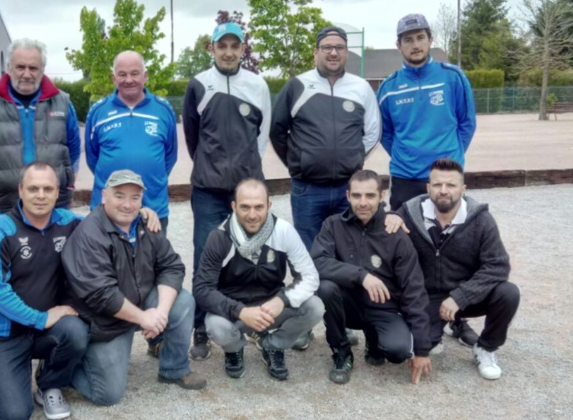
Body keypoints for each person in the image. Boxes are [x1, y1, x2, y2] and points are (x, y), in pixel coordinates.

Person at [270, 25, 381, 348]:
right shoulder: (297, 86)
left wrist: (353, 160)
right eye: (327, 47)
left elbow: (372, 132)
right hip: (308, 190)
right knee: (304, 257)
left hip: (348, 191)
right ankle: (304, 322)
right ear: (316, 51)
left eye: (339, 47)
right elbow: (278, 131)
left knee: (346, 257)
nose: (333, 52)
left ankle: (339, 321)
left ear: (347, 52)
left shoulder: (361, 88)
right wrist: (298, 162)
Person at [62, 170, 206, 405]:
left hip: (139, 303)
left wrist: (160, 312)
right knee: (107, 395)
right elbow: (102, 295)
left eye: (135, 197)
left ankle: (174, 369)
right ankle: (67, 367)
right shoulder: (90, 234)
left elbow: (172, 267)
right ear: (103, 196)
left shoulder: (146, 224)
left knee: (183, 302)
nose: (128, 205)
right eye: (119, 196)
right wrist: (143, 318)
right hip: (105, 320)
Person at [377, 14, 478, 345]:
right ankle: (413, 312)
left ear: (430, 40)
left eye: (420, 37)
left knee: (455, 247)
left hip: (445, 178)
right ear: (399, 45)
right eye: (408, 39)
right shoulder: (390, 86)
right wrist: (408, 158)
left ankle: (456, 318)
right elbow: (386, 133)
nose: (415, 44)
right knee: (407, 248)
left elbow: (466, 123)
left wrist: (449, 163)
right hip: (405, 177)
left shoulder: (452, 77)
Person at [183, 21, 272, 361]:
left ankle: (253, 321)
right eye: (223, 45)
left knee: (253, 256)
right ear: (212, 48)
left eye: (235, 45)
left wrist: (247, 171)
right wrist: (212, 166)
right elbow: (193, 138)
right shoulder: (198, 85)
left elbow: (261, 137)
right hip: (207, 191)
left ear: (242, 49)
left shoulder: (258, 84)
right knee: (205, 257)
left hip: (247, 191)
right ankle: (201, 328)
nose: (229, 51)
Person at [0, 163, 89, 420]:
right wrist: (40, 317)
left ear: (57, 192)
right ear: (20, 191)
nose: (40, 195)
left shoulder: (69, 222)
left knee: (75, 330)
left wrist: (140, 213)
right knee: (14, 418)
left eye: (47, 189)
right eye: (33, 188)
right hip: (4, 335)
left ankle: (48, 383)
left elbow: (110, 219)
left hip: (45, 330)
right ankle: (15, 370)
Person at [386, 158, 520, 380]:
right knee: (417, 347)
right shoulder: (410, 213)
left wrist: (460, 297)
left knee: (508, 293)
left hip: (467, 295)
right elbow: (391, 220)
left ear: (463, 189)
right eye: (437, 185)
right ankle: (436, 332)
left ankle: (485, 348)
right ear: (428, 188)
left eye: (451, 185)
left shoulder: (481, 219)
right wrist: (391, 215)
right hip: (428, 295)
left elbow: (498, 265)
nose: (444, 191)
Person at [312, 170, 432, 385]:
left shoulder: (395, 234)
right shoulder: (333, 225)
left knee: (398, 352)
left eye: (370, 195)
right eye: (357, 196)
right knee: (325, 288)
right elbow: (318, 262)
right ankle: (341, 353)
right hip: (347, 304)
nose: (363, 202)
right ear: (348, 196)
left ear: (382, 196)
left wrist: (422, 349)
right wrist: (361, 276)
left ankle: (374, 339)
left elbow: (414, 289)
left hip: (384, 308)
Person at [193, 179, 322, 381]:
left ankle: (273, 346)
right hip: (234, 311)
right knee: (216, 326)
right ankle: (234, 350)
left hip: (270, 308)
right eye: (245, 207)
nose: (252, 215)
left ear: (269, 205)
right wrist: (240, 311)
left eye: (259, 207)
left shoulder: (284, 231)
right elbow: (201, 289)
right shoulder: (219, 237)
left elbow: (310, 277)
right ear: (234, 206)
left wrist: (282, 300)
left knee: (315, 306)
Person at [0, 38, 80, 212]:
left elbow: (74, 149)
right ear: (9, 68)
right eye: (20, 67)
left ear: (42, 70)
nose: (26, 74)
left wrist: (68, 186)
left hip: (54, 205)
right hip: (4, 206)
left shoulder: (63, 103)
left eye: (33, 68)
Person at [85, 51, 177, 231]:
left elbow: (170, 156)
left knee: (151, 259)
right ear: (113, 78)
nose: (129, 80)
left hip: (153, 208)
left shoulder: (163, 110)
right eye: (122, 74)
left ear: (145, 76)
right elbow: (92, 158)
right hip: (107, 211)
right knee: (105, 259)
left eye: (134, 73)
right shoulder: (98, 112)